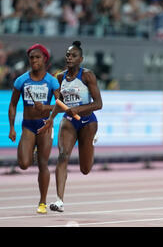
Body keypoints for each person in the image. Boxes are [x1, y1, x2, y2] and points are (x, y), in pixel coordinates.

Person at [38, 41, 102, 212]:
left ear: (81, 59)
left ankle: (91, 142)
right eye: (67, 55)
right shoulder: (60, 77)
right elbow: (59, 103)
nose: (69, 58)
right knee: (63, 155)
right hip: (69, 121)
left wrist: (79, 108)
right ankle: (59, 201)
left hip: (88, 122)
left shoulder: (87, 76)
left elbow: (98, 104)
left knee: (85, 169)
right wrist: (51, 118)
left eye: (73, 55)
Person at [8, 43, 60, 214]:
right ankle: (33, 151)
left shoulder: (52, 81)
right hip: (28, 126)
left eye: (37, 57)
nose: (34, 60)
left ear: (45, 59)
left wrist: (45, 108)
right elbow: (13, 105)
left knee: (43, 164)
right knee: (23, 164)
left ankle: (42, 202)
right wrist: (12, 128)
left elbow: (61, 106)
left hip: (45, 126)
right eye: (31, 58)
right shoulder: (21, 80)